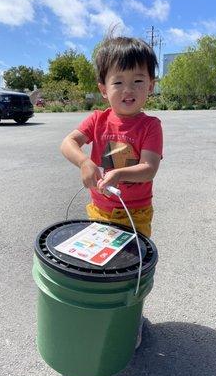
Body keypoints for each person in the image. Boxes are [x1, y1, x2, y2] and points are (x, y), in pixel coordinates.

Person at [61, 36, 163, 239]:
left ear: (150, 86)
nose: (128, 89)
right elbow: (68, 143)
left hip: (136, 213)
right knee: (100, 262)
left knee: (132, 263)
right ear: (103, 90)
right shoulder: (98, 119)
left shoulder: (151, 126)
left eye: (138, 80)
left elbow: (149, 169)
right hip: (99, 209)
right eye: (118, 81)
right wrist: (84, 162)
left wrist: (118, 174)